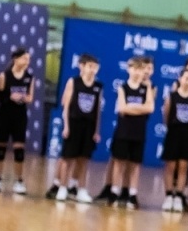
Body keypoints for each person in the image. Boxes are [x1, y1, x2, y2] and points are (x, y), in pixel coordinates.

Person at [100, 54, 153, 207]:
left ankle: (132, 194)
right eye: (134, 69)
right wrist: (140, 108)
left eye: (140, 69)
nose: (137, 72)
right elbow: (122, 108)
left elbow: (150, 108)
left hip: (139, 131)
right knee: (119, 162)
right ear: (129, 69)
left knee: (135, 164)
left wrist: (132, 108)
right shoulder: (123, 88)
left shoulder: (146, 88)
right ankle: (114, 191)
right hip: (123, 130)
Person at [52, 54, 102, 203]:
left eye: (95, 67)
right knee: (68, 158)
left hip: (89, 126)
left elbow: (97, 110)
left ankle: (81, 189)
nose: (93, 70)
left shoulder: (98, 86)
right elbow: (66, 106)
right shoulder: (73, 82)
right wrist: (66, 126)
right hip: (74, 123)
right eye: (90, 66)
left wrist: (96, 130)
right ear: (82, 66)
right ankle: (62, 187)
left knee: (83, 159)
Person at [160, 57, 188, 213]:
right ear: (180, 79)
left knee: (184, 166)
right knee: (170, 166)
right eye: (186, 78)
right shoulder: (172, 96)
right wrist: (171, 127)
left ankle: (179, 195)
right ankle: (168, 196)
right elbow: (166, 115)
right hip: (174, 133)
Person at [0, 46, 34, 195]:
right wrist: (10, 97)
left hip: (20, 115)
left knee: (19, 149)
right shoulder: (4, 75)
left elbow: (30, 97)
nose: (27, 62)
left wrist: (24, 98)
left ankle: (19, 181)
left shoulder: (29, 77)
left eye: (28, 59)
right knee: (0, 148)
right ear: (16, 59)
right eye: (24, 58)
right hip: (5, 114)